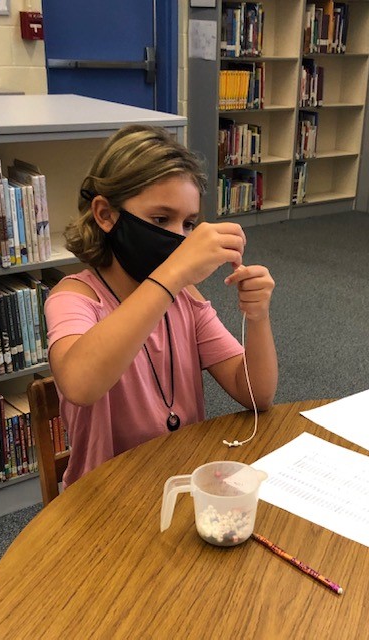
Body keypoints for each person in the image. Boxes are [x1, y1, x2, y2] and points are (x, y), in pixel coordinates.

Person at [44, 125, 278, 487]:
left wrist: (258, 316)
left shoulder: (187, 299)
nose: (179, 239)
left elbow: (255, 393)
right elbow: (80, 384)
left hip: (179, 482)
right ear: (105, 214)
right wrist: (174, 272)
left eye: (188, 224)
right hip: (102, 500)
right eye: (159, 220)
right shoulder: (75, 298)